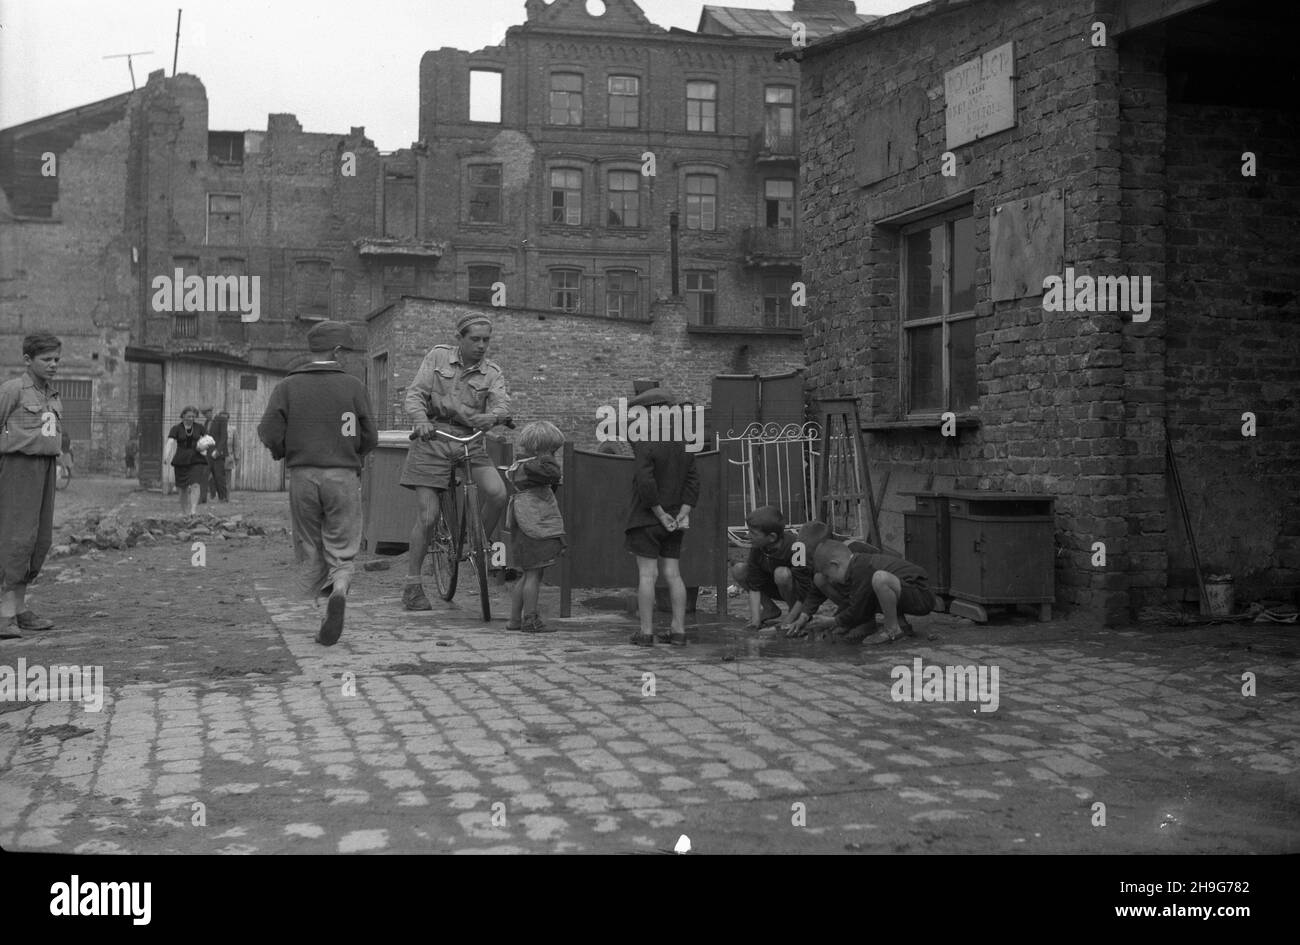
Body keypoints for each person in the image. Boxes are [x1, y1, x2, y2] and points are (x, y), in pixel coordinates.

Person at [257, 320, 378, 646]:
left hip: (302, 475)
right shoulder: (353, 386)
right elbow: (371, 436)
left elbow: (268, 431)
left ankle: (315, 614)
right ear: (337, 350)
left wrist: (282, 450)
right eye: (347, 351)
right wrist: (354, 456)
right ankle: (339, 589)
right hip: (342, 474)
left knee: (310, 545)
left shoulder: (288, 386)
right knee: (342, 544)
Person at [399, 313, 511, 612]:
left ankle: (475, 545)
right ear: (459, 339)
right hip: (431, 437)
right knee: (428, 516)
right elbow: (415, 394)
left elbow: (501, 402)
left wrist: (495, 415)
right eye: (475, 339)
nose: (482, 345)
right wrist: (420, 420)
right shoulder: (437, 358)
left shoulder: (492, 372)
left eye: (486, 340)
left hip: (469, 441)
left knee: (498, 493)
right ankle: (412, 585)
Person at [0, 331, 64, 638]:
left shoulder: (51, 394)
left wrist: (62, 458)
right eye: (46, 359)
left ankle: (20, 609)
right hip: (17, 468)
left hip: (46, 468)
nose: (53, 365)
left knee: (38, 539)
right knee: (14, 538)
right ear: (28, 360)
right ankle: (4, 614)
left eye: (56, 359)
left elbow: (51, 434)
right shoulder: (12, 390)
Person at [624, 385, 698, 647]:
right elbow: (692, 483)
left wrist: (659, 512)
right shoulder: (685, 444)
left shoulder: (646, 443)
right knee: (673, 574)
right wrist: (680, 514)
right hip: (676, 521)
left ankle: (646, 633)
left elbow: (646, 483)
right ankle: (678, 631)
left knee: (647, 575)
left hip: (647, 519)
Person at [800, 540, 934, 645]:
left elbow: (858, 609)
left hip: (920, 595)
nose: (830, 580)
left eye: (828, 575)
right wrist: (835, 622)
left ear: (835, 565)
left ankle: (892, 629)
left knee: (880, 579)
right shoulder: (855, 567)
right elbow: (853, 602)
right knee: (875, 587)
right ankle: (901, 625)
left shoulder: (861, 569)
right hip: (906, 591)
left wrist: (833, 621)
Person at [504, 421, 566, 633]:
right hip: (532, 521)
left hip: (522, 521)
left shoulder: (520, 465)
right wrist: (548, 458)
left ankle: (514, 620)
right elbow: (554, 474)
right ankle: (530, 620)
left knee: (526, 573)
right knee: (534, 575)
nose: (555, 455)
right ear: (541, 449)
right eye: (553, 450)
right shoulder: (534, 467)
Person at [781, 522, 878, 638]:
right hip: (860, 597)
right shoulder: (818, 553)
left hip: (879, 595)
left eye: (811, 558)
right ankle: (850, 618)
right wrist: (804, 616)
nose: (810, 561)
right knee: (819, 578)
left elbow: (861, 594)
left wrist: (836, 620)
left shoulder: (853, 552)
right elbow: (815, 592)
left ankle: (865, 621)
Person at [730, 505, 809, 631]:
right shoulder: (758, 545)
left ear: (771, 537)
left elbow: (806, 591)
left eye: (753, 533)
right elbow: (754, 586)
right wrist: (755, 623)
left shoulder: (796, 546)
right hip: (772, 587)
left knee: (781, 573)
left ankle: (793, 615)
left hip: (796, 592)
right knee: (739, 569)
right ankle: (769, 609)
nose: (748, 536)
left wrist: (788, 621)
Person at [164, 406, 208, 515]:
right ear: (183, 416)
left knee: (195, 484)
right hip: (181, 460)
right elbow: (170, 443)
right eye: (189, 416)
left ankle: (193, 510)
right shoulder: (176, 428)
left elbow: (208, 440)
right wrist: (166, 456)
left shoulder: (200, 427)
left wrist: (204, 448)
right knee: (182, 488)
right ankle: (185, 512)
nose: (191, 419)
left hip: (196, 458)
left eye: (193, 416)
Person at [207, 408, 232, 502]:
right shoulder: (209, 423)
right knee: (209, 476)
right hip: (209, 454)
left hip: (220, 454)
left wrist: (218, 451)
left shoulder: (225, 423)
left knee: (220, 476)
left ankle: (223, 497)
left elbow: (224, 438)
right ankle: (210, 495)